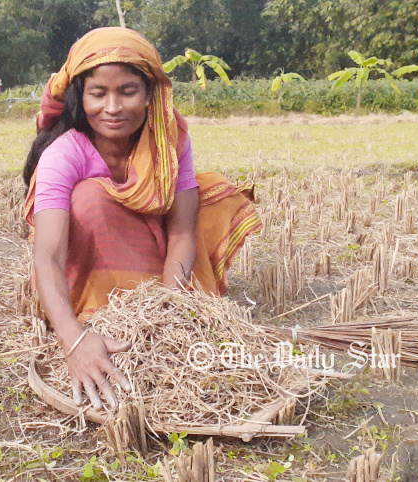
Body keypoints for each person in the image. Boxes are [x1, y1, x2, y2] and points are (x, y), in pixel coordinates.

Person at [22, 27, 261, 411]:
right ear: (80, 97)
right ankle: (93, 313)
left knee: (204, 194)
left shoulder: (170, 141)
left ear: (150, 94)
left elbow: (183, 231)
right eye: (98, 93)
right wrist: (75, 341)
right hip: (88, 271)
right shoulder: (63, 154)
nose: (113, 107)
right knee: (91, 198)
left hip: (157, 257)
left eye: (127, 91)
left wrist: (165, 309)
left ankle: (155, 291)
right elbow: (48, 256)